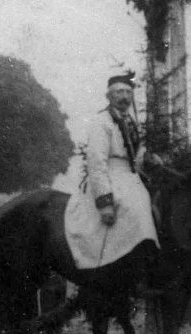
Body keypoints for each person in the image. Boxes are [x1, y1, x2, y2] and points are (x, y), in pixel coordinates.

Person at [65, 73, 160, 271]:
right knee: (136, 205)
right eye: (119, 92)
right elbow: (96, 163)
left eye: (128, 92)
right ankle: (122, 265)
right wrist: (105, 203)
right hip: (109, 176)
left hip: (129, 176)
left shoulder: (130, 121)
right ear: (109, 96)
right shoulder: (102, 121)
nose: (124, 97)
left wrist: (148, 158)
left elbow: (134, 157)